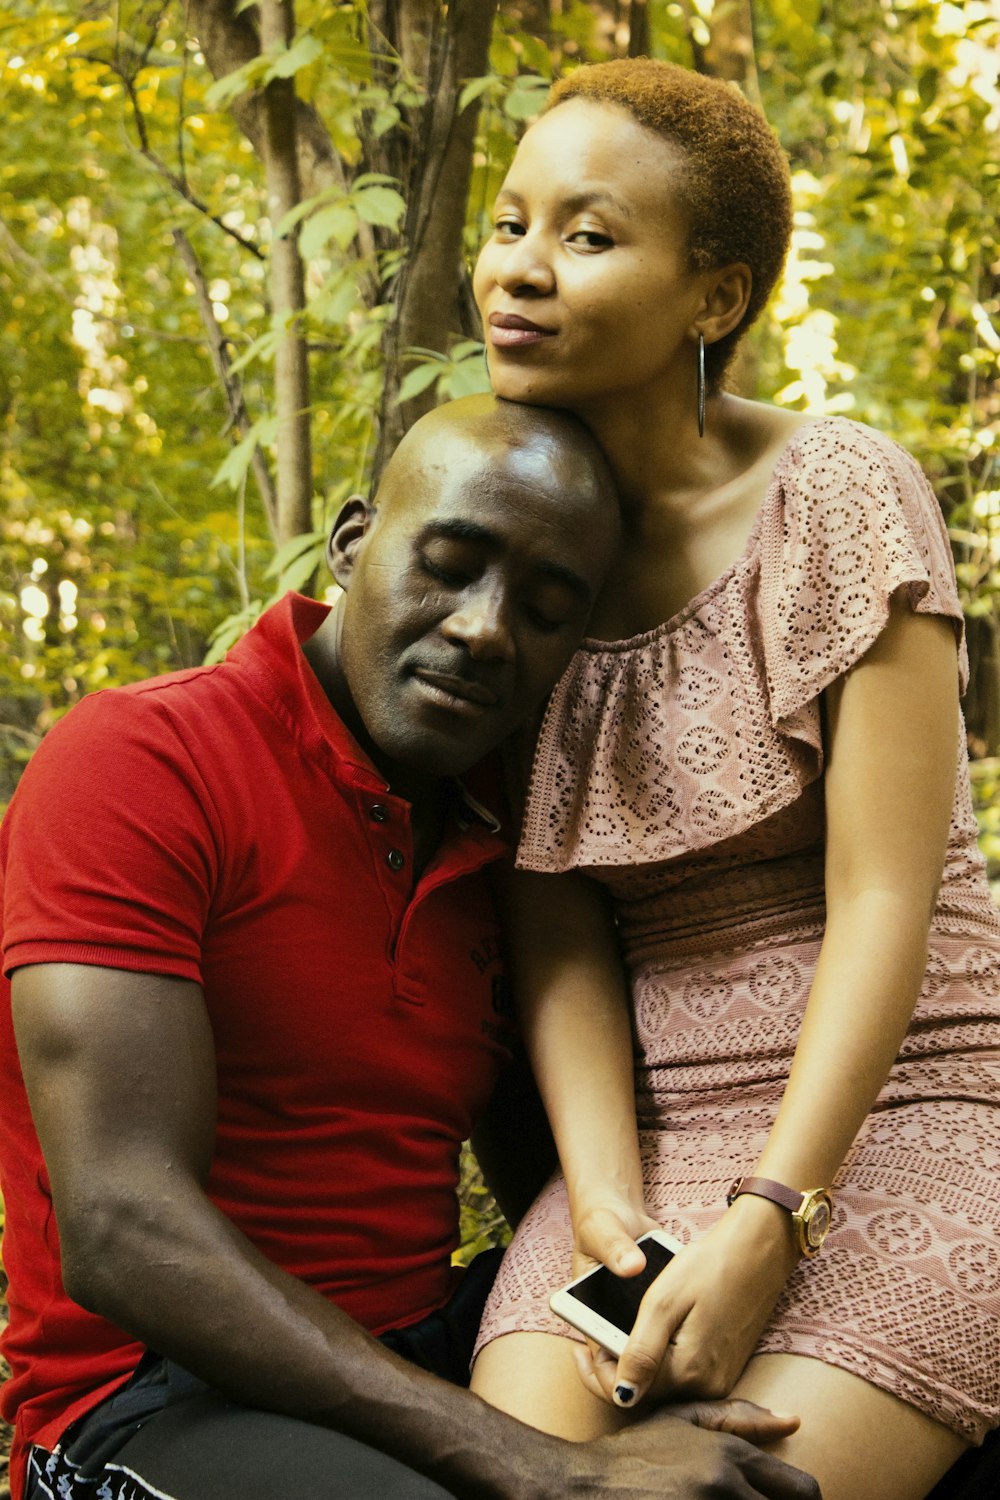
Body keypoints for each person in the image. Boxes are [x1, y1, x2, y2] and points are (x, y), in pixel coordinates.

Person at [0, 392, 820, 1500]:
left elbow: (545, 1166)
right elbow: (123, 1228)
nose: (486, 629)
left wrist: (653, 1340)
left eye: (545, 607)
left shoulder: (512, 837)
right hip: (149, 1399)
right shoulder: (144, 760)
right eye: (450, 561)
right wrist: (547, 1468)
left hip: (422, 1343)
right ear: (351, 541)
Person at [468, 56, 1000, 1500]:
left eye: (586, 236)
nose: (520, 269)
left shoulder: (836, 491)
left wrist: (778, 1209)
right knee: (514, 1478)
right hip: (648, 1144)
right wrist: (603, 1206)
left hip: (914, 1108)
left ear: (714, 298)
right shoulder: (516, 531)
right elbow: (556, 919)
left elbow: (887, 895)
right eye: (510, 223)